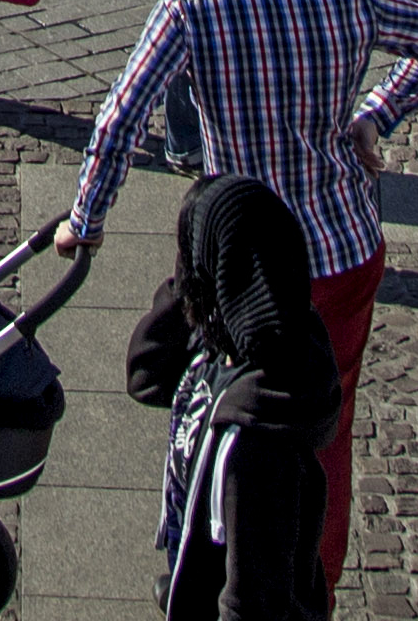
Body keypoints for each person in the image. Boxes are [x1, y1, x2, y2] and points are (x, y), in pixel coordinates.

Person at [52, 0, 418, 603]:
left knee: (230, 415)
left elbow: (119, 120)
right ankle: (317, 578)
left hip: (240, 265)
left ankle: (219, 559)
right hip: (341, 249)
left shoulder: (191, 5)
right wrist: (374, 114)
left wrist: (86, 218)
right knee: (326, 426)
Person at [123, 165, 338, 621]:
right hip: (196, 574)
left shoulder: (258, 446)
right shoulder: (224, 343)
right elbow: (146, 374)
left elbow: (253, 602)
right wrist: (190, 281)